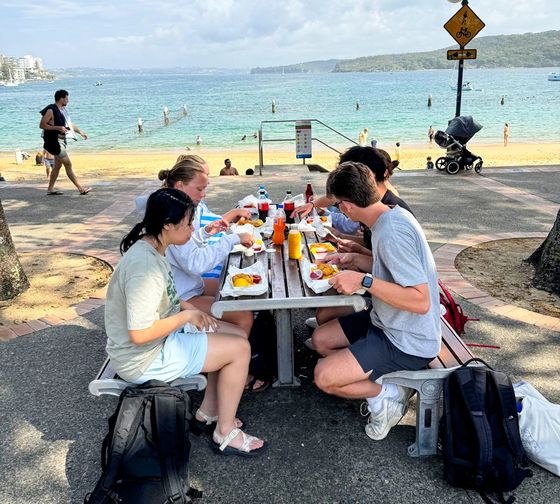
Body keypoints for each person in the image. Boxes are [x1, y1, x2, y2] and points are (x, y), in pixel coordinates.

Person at [105, 187, 265, 456]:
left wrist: (187, 306)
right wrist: (187, 316)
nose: (193, 229)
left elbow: (165, 296)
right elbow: (140, 333)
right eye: (188, 223)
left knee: (236, 334)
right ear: (167, 225)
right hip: (143, 357)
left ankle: (208, 412)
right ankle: (225, 432)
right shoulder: (143, 266)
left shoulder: (155, 247)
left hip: (159, 341)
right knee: (240, 350)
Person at [311, 161, 441, 441]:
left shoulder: (392, 232)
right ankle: (380, 379)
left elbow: (420, 301)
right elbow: (392, 268)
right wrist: (354, 259)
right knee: (321, 339)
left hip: (408, 339)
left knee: (324, 377)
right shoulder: (389, 217)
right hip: (384, 320)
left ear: (346, 206)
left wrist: (363, 280)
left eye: (336, 205)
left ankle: (388, 395)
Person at [39, 89, 91, 196]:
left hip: (62, 141)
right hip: (55, 142)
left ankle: (50, 189)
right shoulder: (51, 110)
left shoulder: (62, 110)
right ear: (61, 98)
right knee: (68, 164)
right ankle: (81, 188)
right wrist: (58, 127)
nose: (68, 100)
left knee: (57, 167)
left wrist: (81, 132)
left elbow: (70, 125)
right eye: (67, 98)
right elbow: (42, 125)